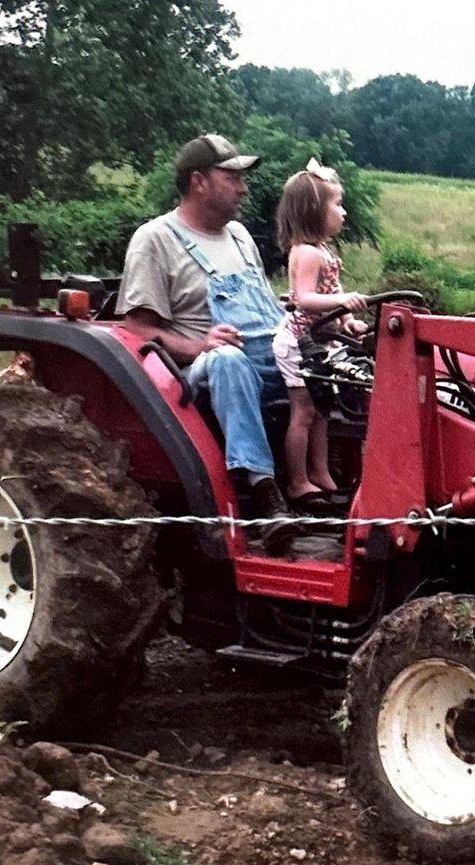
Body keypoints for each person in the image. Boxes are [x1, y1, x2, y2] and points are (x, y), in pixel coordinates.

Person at [116, 134, 299, 555]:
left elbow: (266, 308)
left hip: (264, 359)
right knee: (227, 360)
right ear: (198, 181)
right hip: (197, 376)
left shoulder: (239, 236)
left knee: (331, 362)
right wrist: (201, 345)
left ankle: (322, 488)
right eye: (232, 177)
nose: (243, 188)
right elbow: (136, 330)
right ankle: (265, 495)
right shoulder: (156, 239)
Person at [273, 159, 368, 512]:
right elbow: (304, 299)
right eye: (337, 204)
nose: (344, 212)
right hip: (298, 344)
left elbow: (331, 296)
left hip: (319, 344)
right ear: (313, 211)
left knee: (323, 411)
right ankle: (298, 482)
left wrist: (347, 321)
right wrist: (342, 301)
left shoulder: (324, 252)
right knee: (304, 411)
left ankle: (321, 473)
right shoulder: (307, 253)